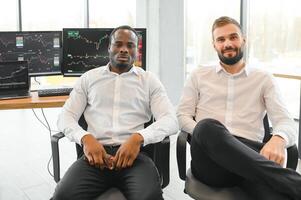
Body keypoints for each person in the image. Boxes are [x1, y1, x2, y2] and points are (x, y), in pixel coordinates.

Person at [177, 16, 301, 200]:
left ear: (243, 39)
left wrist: (279, 138)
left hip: (250, 163)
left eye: (233, 37)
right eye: (221, 39)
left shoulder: (264, 78)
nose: (227, 43)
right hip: (211, 164)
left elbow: (285, 122)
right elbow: (182, 115)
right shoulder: (198, 75)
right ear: (214, 45)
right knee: (206, 127)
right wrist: (210, 139)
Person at [52, 25, 178, 200]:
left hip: (135, 157)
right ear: (109, 47)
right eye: (118, 44)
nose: (124, 49)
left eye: (130, 45)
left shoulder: (149, 81)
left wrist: (138, 138)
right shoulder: (89, 78)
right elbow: (65, 117)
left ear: (136, 50)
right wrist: (85, 138)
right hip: (95, 158)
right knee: (62, 196)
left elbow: (171, 120)